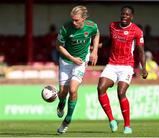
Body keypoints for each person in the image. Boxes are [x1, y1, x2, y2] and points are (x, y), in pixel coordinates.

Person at [97, 6, 148, 134]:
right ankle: (112, 120)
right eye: (123, 14)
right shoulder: (113, 26)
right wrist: (98, 46)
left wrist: (144, 68)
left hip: (126, 66)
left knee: (121, 92)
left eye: (127, 14)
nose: (124, 16)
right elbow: (110, 40)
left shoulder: (137, 31)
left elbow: (141, 51)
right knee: (100, 88)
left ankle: (127, 126)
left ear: (132, 17)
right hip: (112, 64)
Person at [56, 5, 100, 134]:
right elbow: (58, 45)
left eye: (76, 20)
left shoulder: (92, 26)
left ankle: (67, 120)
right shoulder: (65, 28)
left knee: (73, 89)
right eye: (72, 20)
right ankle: (61, 103)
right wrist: (71, 57)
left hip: (80, 61)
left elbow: (96, 34)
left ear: (84, 19)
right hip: (66, 60)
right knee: (63, 93)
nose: (73, 22)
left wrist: (95, 50)